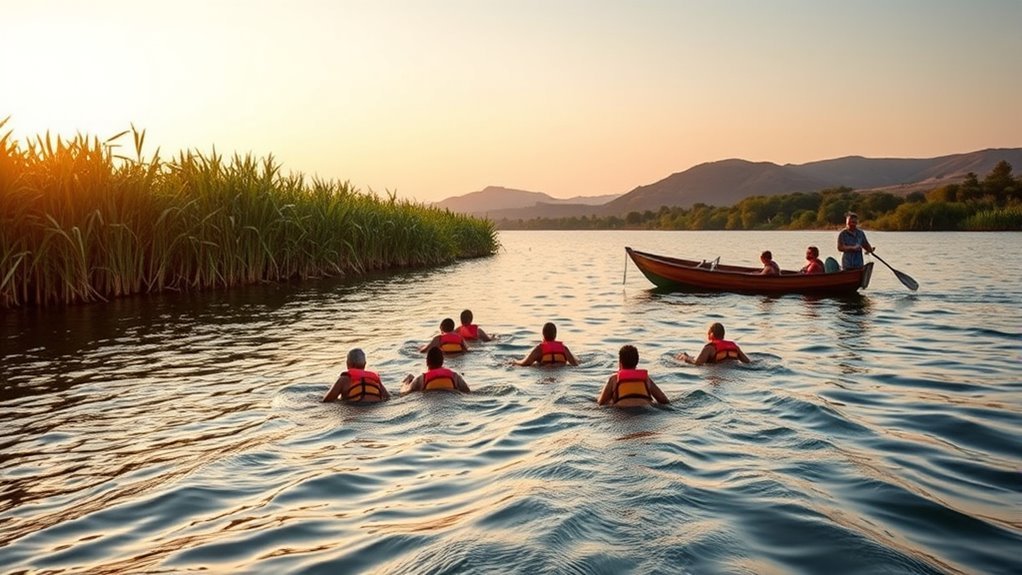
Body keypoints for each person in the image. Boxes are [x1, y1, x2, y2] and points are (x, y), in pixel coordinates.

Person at [597, 345, 670, 407]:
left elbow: (601, 403)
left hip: (622, 411)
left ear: (620, 363)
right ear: (637, 362)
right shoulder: (646, 379)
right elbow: (664, 401)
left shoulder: (614, 379)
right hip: (646, 411)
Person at [322, 348, 391, 403]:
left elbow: (327, 401)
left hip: (355, 411)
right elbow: (388, 398)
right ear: (365, 364)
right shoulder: (375, 379)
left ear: (348, 363)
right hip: (375, 410)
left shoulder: (344, 379)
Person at [402, 347, 471, 393]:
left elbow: (405, 393)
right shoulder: (455, 376)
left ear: (427, 362)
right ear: (442, 361)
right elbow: (467, 392)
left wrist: (406, 382)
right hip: (451, 397)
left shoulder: (421, 378)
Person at [676, 322, 751, 365]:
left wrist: (686, 359)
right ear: (723, 334)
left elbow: (698, 364)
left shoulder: (709, 348)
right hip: (733, 372)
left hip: (717, 372)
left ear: (711, 334)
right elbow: (748, 362)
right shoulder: (734, 346)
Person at [515, 322, 579, 366]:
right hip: (560, 372)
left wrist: (514, 362)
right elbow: (575, 364)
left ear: (543, 334)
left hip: (544, 370)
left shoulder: (539, 349)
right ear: (555, 335)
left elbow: (525, 364)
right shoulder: (563, 348)